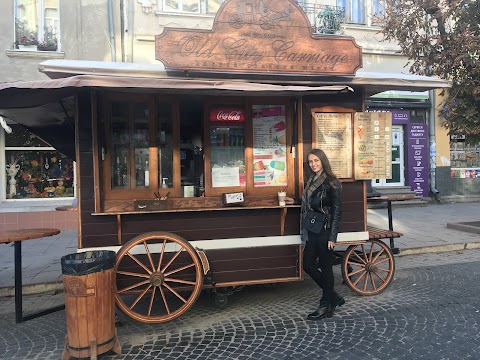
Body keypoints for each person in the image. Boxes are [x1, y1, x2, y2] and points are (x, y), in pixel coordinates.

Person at [285, 148, 344, 320]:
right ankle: (333, 296)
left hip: (325, 231)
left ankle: (326, 304)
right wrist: (295, 201)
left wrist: (333, 237)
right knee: (308, 265)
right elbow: (310, 202)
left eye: (316, 161)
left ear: (323, 161)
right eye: (311, 161)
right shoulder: (311, 180)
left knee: (326, 268)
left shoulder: (332, 183)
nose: (313, 164)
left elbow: (337, 211)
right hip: (312, 229)